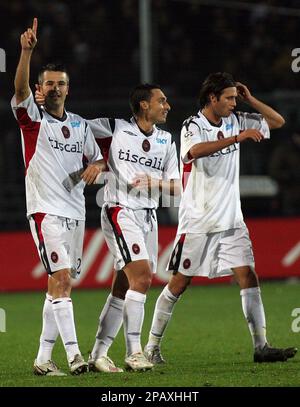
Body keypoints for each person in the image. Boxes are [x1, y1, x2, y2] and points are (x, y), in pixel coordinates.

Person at [143, 72, 297, 364]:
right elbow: (194, 151)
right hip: (199, 220)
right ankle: (151, 346)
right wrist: (236, 138)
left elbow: (277, 122)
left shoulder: (236, 118)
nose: (232, 102)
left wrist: (250, 99)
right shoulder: (193, 125)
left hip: (231, 220)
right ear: (212, 98)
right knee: (179, 283)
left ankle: (261, 346)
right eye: (228, 98)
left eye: (235, 97)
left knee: (248, 276)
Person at [11, 18, 105, 376]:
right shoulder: (33, 120)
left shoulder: (80, 125)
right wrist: (26, 52)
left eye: (60, 83)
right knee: (62, 281)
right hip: (45, 211)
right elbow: (20, 90)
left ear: (68, 88)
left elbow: (96, 156)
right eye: (48, 83)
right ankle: (75, 355)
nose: (55, 88)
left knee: (59, 285)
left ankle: (42, 360)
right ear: (40, 87)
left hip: (76, 214)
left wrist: (97, 165)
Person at [87, 84, 181, 372]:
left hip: (148, 217)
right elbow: (75, 127)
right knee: (142, 277)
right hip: (120, 210)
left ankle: (99, 354)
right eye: (161, 101)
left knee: (124, 286)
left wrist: (157, 184)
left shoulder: (166, 141)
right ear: (143, 105)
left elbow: (177, 187)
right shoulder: (115, 129)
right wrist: (98, 159)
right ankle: (134, 351)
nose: (167, 106)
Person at [269, 129, 300, 216]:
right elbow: (273, 171)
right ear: (295, 137)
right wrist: (290, 175)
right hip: (288, 193)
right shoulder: (283, 151)